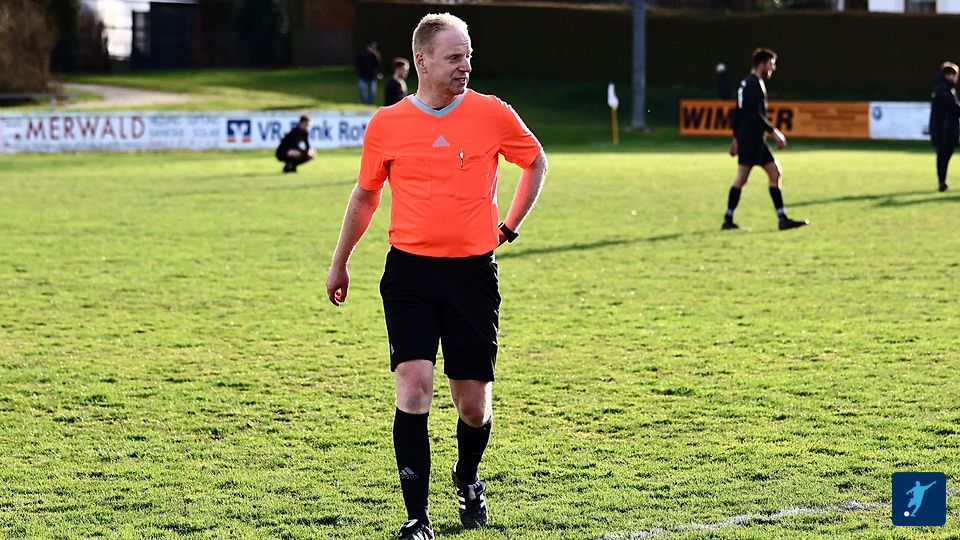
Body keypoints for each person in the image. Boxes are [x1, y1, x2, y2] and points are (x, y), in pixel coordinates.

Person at [326, 13, 547, 540]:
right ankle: (416, 518)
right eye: (454, 57)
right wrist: (340, 261)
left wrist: (508, 227)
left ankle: (467, 476)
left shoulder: (492, 113)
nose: (465, 66)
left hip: (472, 276)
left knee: (473, 406)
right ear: (421, 61)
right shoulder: (387, 124)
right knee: (414, 388)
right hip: (410, 274)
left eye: (468, 56)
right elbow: (366, 195)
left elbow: (535, 162)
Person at [723, 48, 807, 231]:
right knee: (744, 178)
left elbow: (738, 113)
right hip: (752, 139)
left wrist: (736, 138)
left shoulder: (747, 83)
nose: (773, 68)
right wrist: (774, 132)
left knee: (772, 173)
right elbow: (753, 114)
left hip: (750, 138)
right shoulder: (754, 84)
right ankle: (729, 219)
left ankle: (781, 218)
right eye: (771, 64)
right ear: (761, 64)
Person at [929, 61, 960, 192]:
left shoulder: (944, 89)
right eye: (955, 75)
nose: (956, 78)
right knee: (943, 155)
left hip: (945, 129)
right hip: (943, 130)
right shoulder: (944, 90)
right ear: (948, 75)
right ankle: (942, 182)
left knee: (944, 155)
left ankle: (942, 181)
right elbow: (952, 108)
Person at [356, 40, 383, 105]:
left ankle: (370, 104)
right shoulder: (361, 54)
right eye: (371, 47)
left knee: (372, 92)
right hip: (362, 76)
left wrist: (379, 73)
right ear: (367, 47)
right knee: (362, 90)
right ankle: (364, 103)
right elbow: (357, 63)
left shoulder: (376, 55)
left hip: (372, 77)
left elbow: (379, 65)